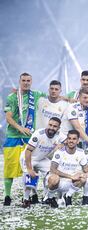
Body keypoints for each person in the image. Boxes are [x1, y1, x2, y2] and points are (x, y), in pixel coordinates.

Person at [3, 72, 46, 206]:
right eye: (24, 80)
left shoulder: (36, 95)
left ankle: (33, 194)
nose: (26, 82)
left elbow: (53, 97)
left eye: (28, 80)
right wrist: (20, 128)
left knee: (31, 167)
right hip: (13, 137)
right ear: (19, 81)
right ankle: (7, 196)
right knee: (9, 168)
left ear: (31, 82)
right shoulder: (12, 97)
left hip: (29, 138)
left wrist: (69, 99)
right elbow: (8, 117)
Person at [20, 117, 66, 208]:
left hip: (42, 159)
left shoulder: (59, 135)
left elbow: (68, 141)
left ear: (58, 128)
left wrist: (62, 145)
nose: (52, 128)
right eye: (50, 125)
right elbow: (28, 151)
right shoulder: (38, 134)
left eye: (55, 126)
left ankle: (47, 198)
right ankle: (26, 199)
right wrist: (29, 169)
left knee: (52, 174)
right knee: (29, 176)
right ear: (47, 124)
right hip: (29, 158)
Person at [46, 130, 88, 208]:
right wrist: (71, 176)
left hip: (71, 183)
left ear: (78, 141)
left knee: (84, 177)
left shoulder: (81, 153)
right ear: (67, 140)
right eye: (69, 138)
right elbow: (53, 169)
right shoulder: (59, 152)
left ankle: (68, 196)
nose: (71, 141)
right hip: (58, 182)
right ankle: (50, 198)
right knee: (54, 178)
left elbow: (86, 169)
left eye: (74, 139)